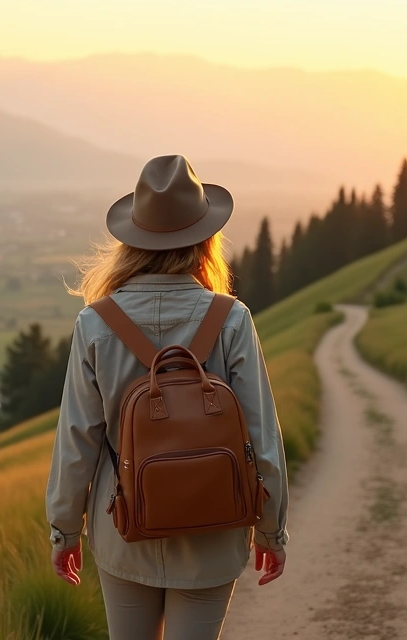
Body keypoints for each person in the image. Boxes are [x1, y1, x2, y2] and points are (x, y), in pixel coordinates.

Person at [46, 155, 290, 640]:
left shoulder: (96, 323)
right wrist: (271, 530)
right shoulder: (231, 318)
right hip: (214, 532)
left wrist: (65, 531)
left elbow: (78, 440)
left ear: (131, 240)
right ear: (206, 238)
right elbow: (261, 436)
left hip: (124, 530)